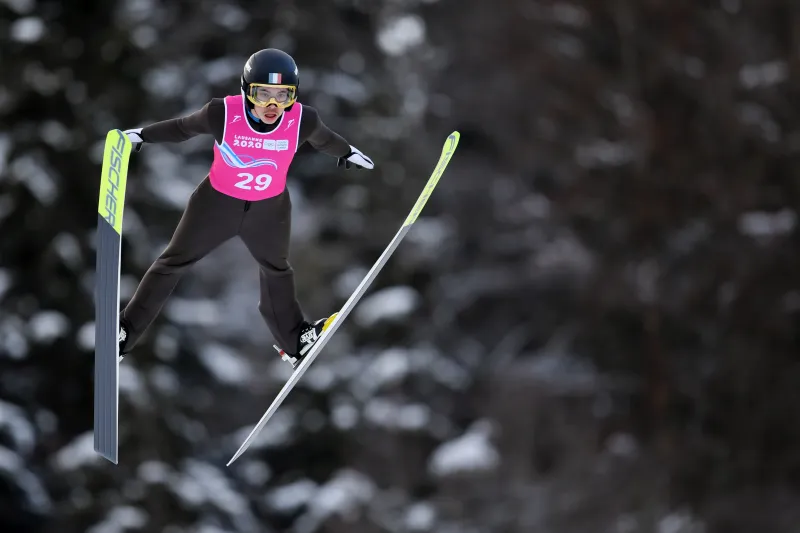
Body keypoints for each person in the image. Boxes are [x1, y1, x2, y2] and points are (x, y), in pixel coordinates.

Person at [117, 48, 374, 368]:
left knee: (277, 271)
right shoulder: (223, 113)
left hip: (269, 210)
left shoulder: (302, 120)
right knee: (172, 262)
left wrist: (346, 151)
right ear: (245, 91)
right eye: (262, 93)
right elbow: (183, 128)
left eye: (283, 95)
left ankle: (296, 342)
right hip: (216, 206)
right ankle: (125, 330)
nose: (272, 105)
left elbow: (323, 139)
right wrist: (143, 135)